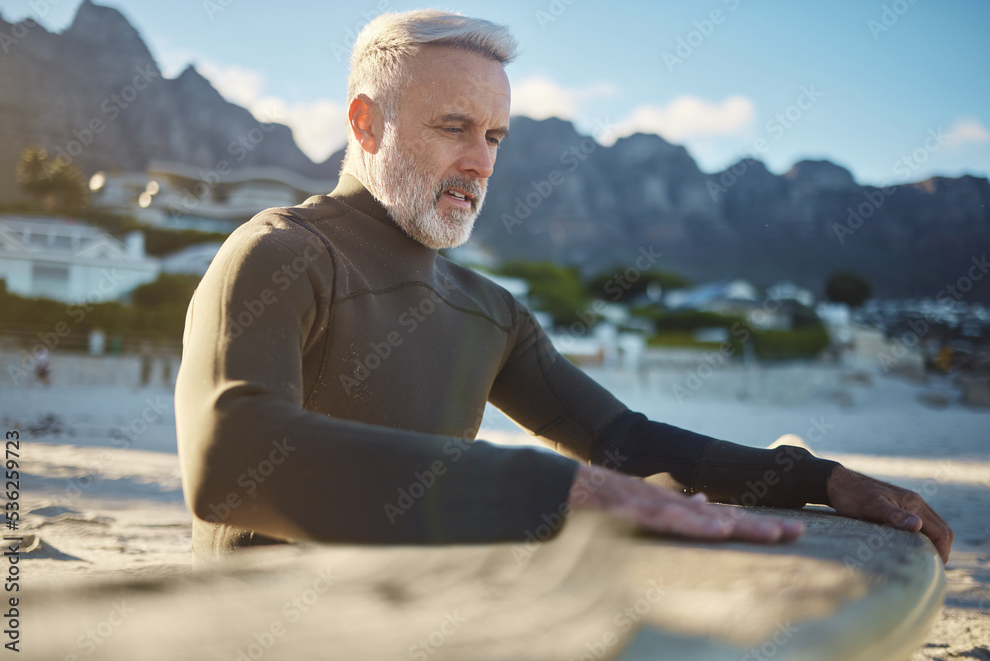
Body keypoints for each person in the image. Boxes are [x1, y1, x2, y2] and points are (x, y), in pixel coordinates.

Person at [174, 10, 952, 565]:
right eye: (453, 126)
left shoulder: (489, 311)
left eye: (494, 136)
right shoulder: (281, 254)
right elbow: (229, 459)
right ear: (366, 123)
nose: (480, 162)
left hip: (427, 620)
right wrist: (551, 489)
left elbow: (628, 443)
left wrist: (824, 480)